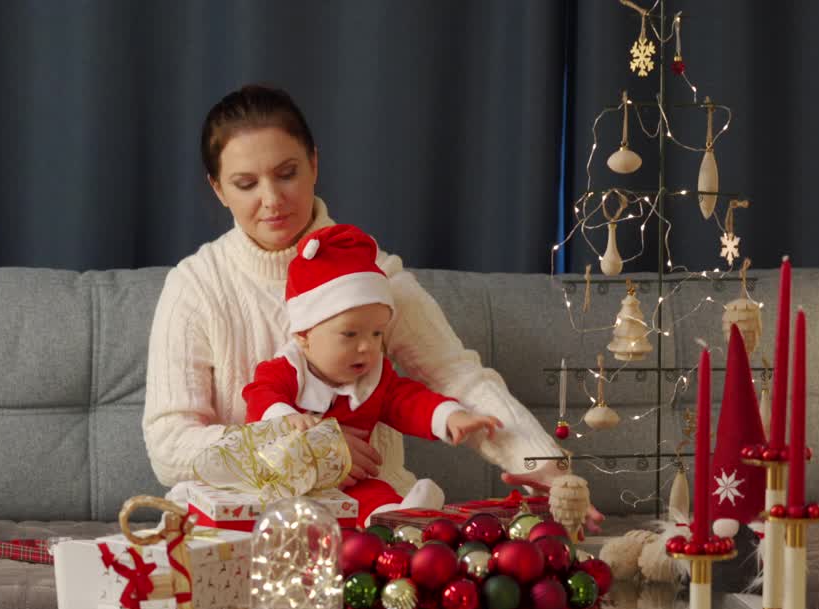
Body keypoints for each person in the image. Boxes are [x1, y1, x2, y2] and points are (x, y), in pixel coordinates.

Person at [142, 84, 600, 530]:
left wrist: (547, 469)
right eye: (245, 184)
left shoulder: (373, 275)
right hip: (245, 517)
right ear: (219, 189)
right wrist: (312, 452)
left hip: (371, 514)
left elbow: (458, 378)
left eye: (287, 173)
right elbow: (169, 445)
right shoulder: (197, 285)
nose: (272, 200)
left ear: (314, 164)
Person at [241, 224, 502, 525]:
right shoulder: (287, 370)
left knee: (376, 494)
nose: (366, 347)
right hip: (289, 480)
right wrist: (286, 418)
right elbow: (259, 397)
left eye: (377, 333)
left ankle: (393, 520)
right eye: (350, 334)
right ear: (303, 334)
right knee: (273, 507)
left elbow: (408, 400)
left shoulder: (373, 379)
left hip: (352, 485)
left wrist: (450, 416)